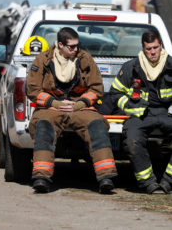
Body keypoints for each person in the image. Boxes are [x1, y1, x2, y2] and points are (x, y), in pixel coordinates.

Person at [110, 30, 172, 194]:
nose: (153, 52)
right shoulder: (131, 67)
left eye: (155, 47)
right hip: (142, 114)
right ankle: (148, 183)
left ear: (161, 46)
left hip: (170, 113)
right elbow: (116, 92)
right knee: (132, 140)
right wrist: (131, 107)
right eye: (148, 49)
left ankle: (171, 182)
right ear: (143, 49)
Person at [27, 27, 117, 193]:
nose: (76, 49)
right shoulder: (42, 61)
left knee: (97, 124)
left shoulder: (85, 59)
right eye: (72, 47)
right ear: (60, 45)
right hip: (51, 107)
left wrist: (79, 104)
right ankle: (41, 178)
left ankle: (106, 177)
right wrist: (54, 103)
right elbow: (33, 90)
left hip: (79, 107)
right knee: (44, 125)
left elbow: (96, 88)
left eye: (77, 46)